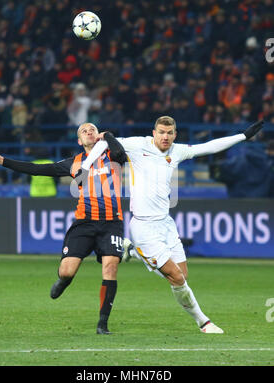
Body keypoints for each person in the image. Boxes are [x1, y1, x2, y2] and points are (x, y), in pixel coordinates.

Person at [80, 116, 264, 334]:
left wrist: (242, 136)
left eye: (169, 133)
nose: (165, 137)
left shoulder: (177, 151)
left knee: (181, 277)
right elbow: (103, 142)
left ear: (175, 134)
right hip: (143, 226)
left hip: (166, 224)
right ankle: (204, 322)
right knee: (176, 278)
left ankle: (133, 252)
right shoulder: (138, 145)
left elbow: (209, 147)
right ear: (154, 133)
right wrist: (84, 166)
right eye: (161, 132)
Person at [0, 123, 127, 335]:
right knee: (68, 270)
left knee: (111, 267)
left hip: (112, 222)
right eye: (84, 131)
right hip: (84, 223)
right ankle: (63, 280)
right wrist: (3, 161)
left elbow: (121, 153)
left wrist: (109, 136)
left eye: (92, 129)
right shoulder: (74, 163)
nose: (89, 132)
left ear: (98, 136)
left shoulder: (112, 157)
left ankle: (102, 324)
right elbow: (39, 169)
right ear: (79, 141)